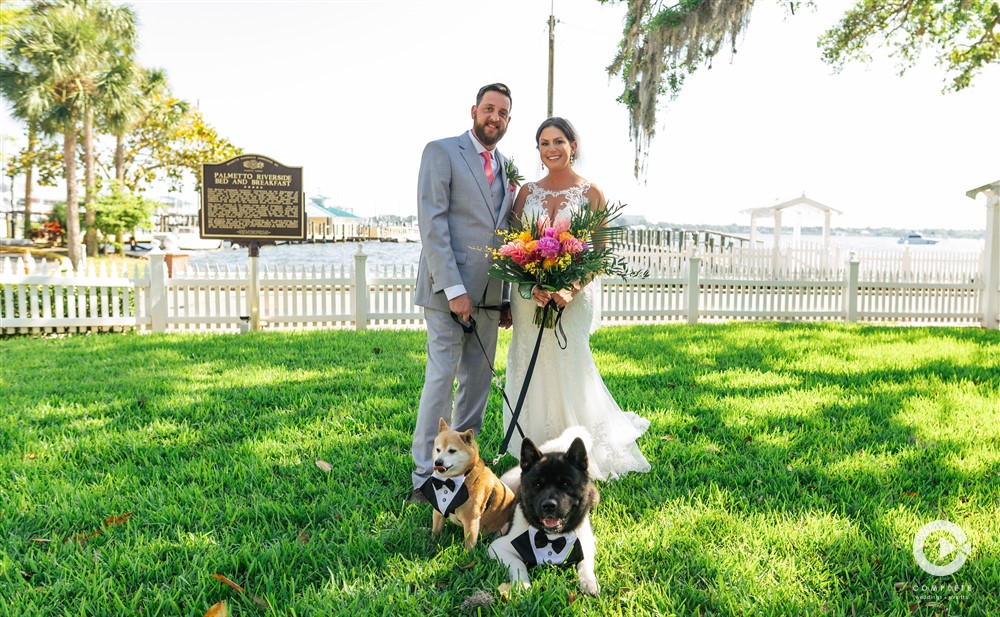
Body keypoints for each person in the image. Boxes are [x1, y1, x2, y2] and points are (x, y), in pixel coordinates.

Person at [503, 117, 650, 482]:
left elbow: (598, 253)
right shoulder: (526, 193)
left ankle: (578, 447)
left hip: (574, 296)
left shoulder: (591, 193)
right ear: (538, 151)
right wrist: (531, 284)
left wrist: (569, 288)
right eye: (543, 143)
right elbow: (516, 247)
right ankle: (532, 444)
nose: (551, 149)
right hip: (530, 297)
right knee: (531, 364)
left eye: (558, 141)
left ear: (573, 146)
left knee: (570, 362)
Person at [410, 83, 516, 497]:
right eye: (489, 109)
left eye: (503, 113)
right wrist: (454, 289)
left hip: (489, 297)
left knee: (477, 382)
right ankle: (426, 474)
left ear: (508, 121)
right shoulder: (441, 152)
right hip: (445, 291)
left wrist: (504, 296)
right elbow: (432, 224)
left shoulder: (506, 166)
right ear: (474, 111)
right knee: (441, 378)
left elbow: (504, 234)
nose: (495, 117)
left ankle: (462, 468)